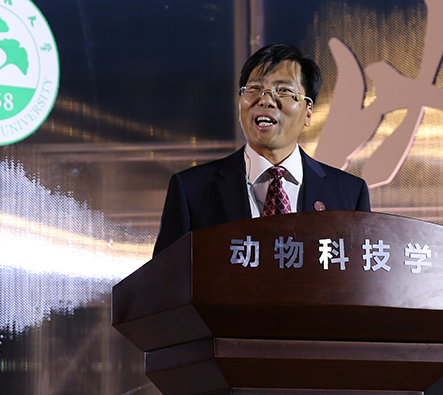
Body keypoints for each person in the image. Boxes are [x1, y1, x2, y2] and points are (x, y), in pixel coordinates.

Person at [153, 44, 371, 255]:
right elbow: (165, 275)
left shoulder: (349, 194)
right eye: (254, 89)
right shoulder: (192, 189)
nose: (265, 100)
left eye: (283, 90)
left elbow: (363, 275)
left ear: (308, 111)